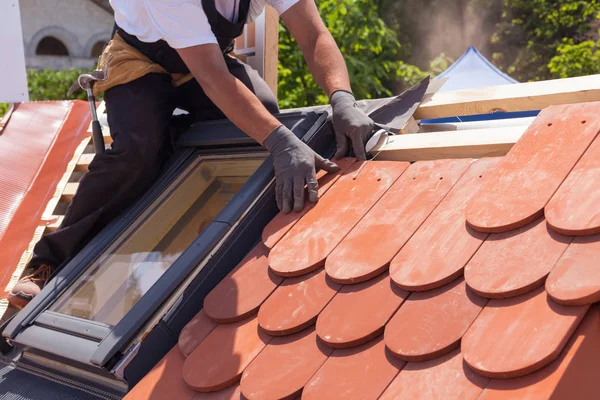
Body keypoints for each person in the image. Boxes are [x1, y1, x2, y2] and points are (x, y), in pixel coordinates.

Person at [7, 0, 374, 309]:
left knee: (262, 113)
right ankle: (48, 262)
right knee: (138, 148)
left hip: (205, 59)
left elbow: (313, 35)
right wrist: (280, 141)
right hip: (140, 62)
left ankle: (215, 246)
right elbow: (212, 76)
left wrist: (341, 96)